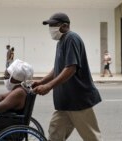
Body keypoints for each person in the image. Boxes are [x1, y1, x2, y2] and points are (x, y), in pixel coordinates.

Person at [32, 12, 102, 141]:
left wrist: (48, 86)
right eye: (49, 25)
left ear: (64, 26)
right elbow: (58, 68)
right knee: (55, 134)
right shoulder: (61, 42)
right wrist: (42, 81)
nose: (50, 29)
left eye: (53, 25)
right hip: (65, 102)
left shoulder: (71, 38)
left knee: (91, 137)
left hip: (77, 100)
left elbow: (71, 68)